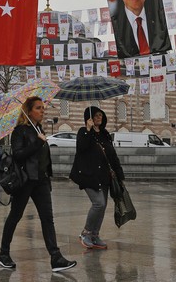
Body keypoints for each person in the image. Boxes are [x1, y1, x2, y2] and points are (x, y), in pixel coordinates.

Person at [0, 96, 77, 272]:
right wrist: (38, 143)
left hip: (41, 180)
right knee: (15, 216)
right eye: (39, 108)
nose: (43, 110)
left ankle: (56, 258)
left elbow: (42, 158)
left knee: (48, 219)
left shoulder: (38, 128)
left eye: (43, 108)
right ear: (29, 111)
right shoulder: (20, 130)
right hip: (25, 180)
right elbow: (18, 154)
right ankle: (3, 254)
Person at [70, 106, 125, 249]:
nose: (99, 117)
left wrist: (119, 173)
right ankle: (86, 233)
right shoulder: (83, 132)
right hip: (88, 175)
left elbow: (112, 155)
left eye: (101, 115)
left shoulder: (105, 134)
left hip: (104, 176)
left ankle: (95, 235)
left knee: (103, 206)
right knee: (99, 203)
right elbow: (81, 148)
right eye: (95, 115)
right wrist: (88, 130)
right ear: (89, 118)